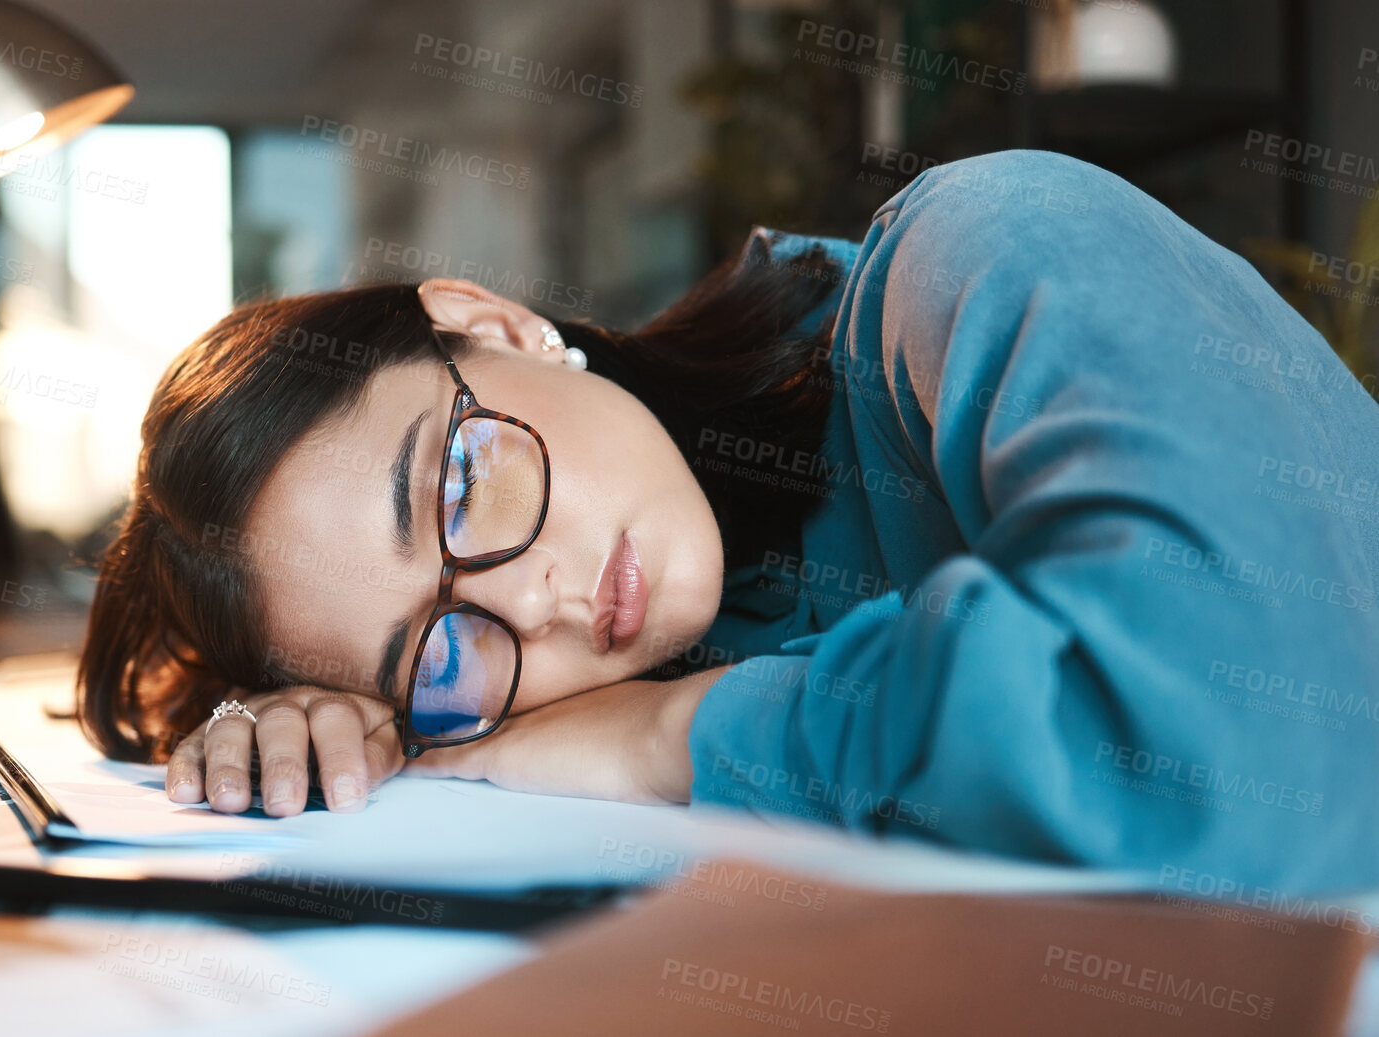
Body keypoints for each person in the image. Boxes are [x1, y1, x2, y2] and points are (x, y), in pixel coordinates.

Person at [76, 149, 1379, 894]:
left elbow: (1240, 762)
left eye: (463, 484)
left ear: (497, 323)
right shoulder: (548, 679)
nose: (532, 604)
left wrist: (672, 732)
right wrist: (343, 736)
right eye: (438, 650)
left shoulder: (992, 247)